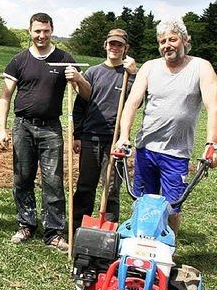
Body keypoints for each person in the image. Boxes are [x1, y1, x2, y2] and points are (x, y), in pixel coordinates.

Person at [0, 13, 86, 252]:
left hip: (51, 128)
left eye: (45, 31)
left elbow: (86, 93)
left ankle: (54, 232)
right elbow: (5, 97)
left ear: (52, 30)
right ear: (30, 31)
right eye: (37, 31)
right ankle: (26, 224)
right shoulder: (19, 61)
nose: (41, 36)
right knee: (22, 177)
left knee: (53, 180)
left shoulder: (64, 59)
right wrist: (2, 129)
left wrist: (77, 77)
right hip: (23, 126)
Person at [117, 19, 217, 233]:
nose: (166, 45)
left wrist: (212, 143)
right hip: (146, 150)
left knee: (172, 208)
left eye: (172, 39)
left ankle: (167, 249)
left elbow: (213, 106)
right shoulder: (150, 67)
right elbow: (132, 103)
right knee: (142, 202)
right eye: (162, 41)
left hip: (177, 153)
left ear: (185, 40)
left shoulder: (201, 67)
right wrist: (123, 136)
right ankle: (139, 244)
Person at [67, 29, 137, 229]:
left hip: (116, 139)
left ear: (126, 48)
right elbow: (79, 106)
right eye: (111, 44)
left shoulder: (129, 75)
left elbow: (136, 102)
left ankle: (108, 229)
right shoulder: (93, 72)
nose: (114, 48)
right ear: (105, 45)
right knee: (85, 185)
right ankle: (76, 227)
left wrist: (134, 73)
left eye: (119, 45)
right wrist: (78, 135)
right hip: (90, 137)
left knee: (112, 188)